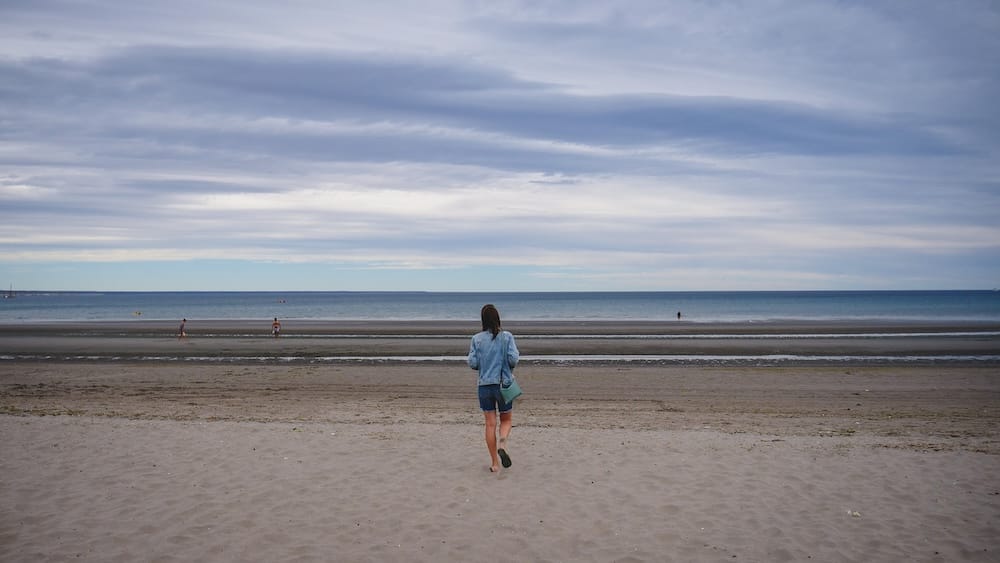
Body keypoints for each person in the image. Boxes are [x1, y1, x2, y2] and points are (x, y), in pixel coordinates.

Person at [467, 304, 519, 473]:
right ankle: (502, 442)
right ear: (497, 318)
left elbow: (473, 363)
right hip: (503, 385)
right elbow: (513, 360)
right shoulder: (507, 337)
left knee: (490, 424)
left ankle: (495, 464)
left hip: (484, 386)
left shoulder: (477, 339)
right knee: (506, 420)